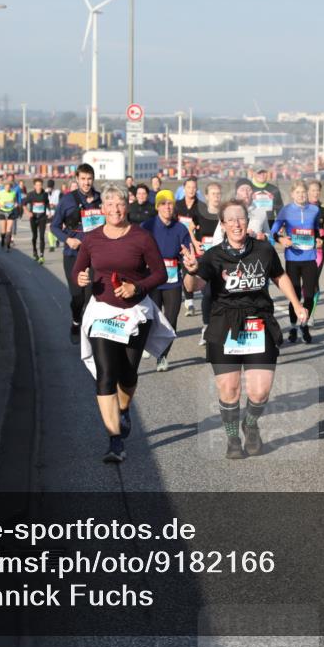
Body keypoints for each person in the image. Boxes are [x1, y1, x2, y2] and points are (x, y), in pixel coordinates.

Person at [181, 199, 309, 460]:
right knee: (229, 389)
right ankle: (232, 439)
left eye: (241, 218)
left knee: (260, 391)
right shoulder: (213, 255)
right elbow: (193, 286)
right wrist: (191, 271)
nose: (237, 224)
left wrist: (296, 304)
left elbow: (279, 276)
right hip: (224, 325)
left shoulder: (263, 249)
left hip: (258, 322)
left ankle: (250, 424)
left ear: (247, 221)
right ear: (223, 224)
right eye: (231, 220)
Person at [74, 185, 173, 463]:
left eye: (119, 204)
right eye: (110, 204)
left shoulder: (142, 237)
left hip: (134, 312)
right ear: (102, 208)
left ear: (126, 206)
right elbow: (78, 270)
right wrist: (80, 278)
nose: (115, 209)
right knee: (106, 373)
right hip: (102, 312)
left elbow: (160, 273)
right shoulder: (92, 238)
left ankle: (124, 408)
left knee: (128, 373)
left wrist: (136, 288)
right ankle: (115, 440)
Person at [141, 189, 194, 371]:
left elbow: (187, 253)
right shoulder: (147, 226)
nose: (167, 207)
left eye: (170, 203)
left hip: (173, 281)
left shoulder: (180, 229)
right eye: (163, 204)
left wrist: (188, 257)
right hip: (152, 280)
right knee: (151, 319)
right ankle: (148, 343)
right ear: (157, 206)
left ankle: (162, 355)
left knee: (171, 320)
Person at [52, 163, 103, 343]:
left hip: (95, 257)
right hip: (73, 255)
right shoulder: (67, 200)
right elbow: (54, 226)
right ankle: (76, 321)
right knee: (77, 297)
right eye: (83, 179)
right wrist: (68, 240)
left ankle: (88, 332)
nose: (86, 183)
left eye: (89, 179)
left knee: (91, 296)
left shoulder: (101, 200)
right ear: (77, 179)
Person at [271, 180, 323, 344]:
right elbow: (273, 231)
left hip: (310, 258)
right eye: (298, 192)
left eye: (303, 192)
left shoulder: (314, 210)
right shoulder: (286, 210)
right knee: (295, 295)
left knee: (309, 296)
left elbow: (316, 230)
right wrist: (281, 239)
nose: (301, 195)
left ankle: (304, 325)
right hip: (293, 259)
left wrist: (319, 239)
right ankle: (293, 327)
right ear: (292, 194)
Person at [191, 182, 225, 344]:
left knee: (220, 294)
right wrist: (195, 243)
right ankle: (206, 326)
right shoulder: (200, 212)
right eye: (213, 194)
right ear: (206, 196)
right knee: (208, 293)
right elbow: (189, 228)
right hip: (204, 259)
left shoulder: (224, 213)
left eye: (218, 193)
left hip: (221, 259)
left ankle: (219, 327)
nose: (216, 197)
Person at [174, 177, 207, 317]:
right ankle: (189, 302)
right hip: (180, 242)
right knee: (184, 270)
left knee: (195, 271)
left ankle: (203, 300)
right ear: (184, 188)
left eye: (194, 187)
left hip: (196, 244)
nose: (191, 190)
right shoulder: (177, 205)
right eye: (189, 187)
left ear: (197, 189)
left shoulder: (202, 206)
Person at [307, 180, 324, 326]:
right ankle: (302, 307)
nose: (315, 193)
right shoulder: (300, 208)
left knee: (313, 280)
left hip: (318, 249)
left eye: (317, 190)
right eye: (312, 190)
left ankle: (310, 314)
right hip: (302, 249)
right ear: (307, 192)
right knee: (303, 281)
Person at [23, 178, 51, 264]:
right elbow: (24, 204)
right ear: (34, 186)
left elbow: (47, 203)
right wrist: (28, 212)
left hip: (42, 217)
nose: (39, 187)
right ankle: (35, 251)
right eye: (37, 185)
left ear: (42, 186)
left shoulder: (45, 194)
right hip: (34, 218)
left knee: (42, 236)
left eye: (40, 185)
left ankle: (42, 256)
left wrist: (49, 212)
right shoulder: (30, 194)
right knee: (34, 236)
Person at [248, 168, 283, 237]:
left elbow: (280, 209)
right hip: (252, 228)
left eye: (264, 172)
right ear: (254, 173)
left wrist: (281, 224)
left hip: (269, 226)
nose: (262, 175)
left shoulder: (274, 189)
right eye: (259, 173)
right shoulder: (248, 189)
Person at [0, 180, 20, 251]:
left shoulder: (13, 193)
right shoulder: (0, 193)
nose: (7, 188)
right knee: (3, 231)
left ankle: (8, 245)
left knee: (9, 230)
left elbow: (15, 201)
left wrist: (15, 204)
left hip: (11, 212)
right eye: (6, 186)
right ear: (4, 186)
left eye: (9, 187)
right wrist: (0, 205)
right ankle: (3, 239)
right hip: (2, 212)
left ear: (11, 187)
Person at [46, 179, 61, 252]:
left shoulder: (58, 192)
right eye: (49, 187)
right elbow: (44, 203)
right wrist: (48, 211)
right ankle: (51, 246)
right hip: (48, 214)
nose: (50, 188)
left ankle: (56, 239)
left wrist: (55, 205)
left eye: (51, 187)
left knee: (55, 229)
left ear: (53, 186)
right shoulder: (45, 192)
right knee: (49, 228)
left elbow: (61, 203)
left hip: (56, 213)